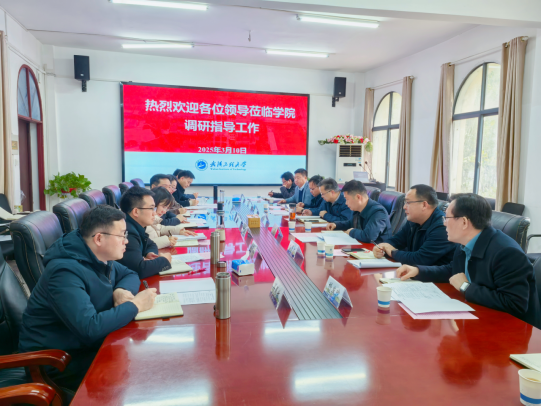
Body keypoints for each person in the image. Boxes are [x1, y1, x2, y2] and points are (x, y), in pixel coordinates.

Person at [18, 205, 157, 393]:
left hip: (87, 347)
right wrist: (135, 305)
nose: (126, 241)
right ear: (99, 238)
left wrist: (120, 290)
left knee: (147, 361)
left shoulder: (97, 255)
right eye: (122, 235)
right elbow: (90, 328)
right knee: (140, 379)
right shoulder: (64, 272)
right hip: (59, 362)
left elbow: (130, 274)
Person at [396, 193, 541, 328]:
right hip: (480, 317)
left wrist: (466, 287)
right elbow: (453, 271)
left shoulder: (507, 253)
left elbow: (515, 304)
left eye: (446, 218)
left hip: (509, 330)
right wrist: (418, 270)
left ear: (464, 222)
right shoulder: (465, 242)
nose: (444, 223)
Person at [373, 184, 456, 266]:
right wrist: (381, 247)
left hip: (435, 274)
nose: (404, 207)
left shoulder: (442, 227)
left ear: (424, 205)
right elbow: (396, 240)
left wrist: (392, 251)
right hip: (414, 272)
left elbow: (420, 259)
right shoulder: (414, 220)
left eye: (408, 202)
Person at [118, 187, 172, 278]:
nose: (154, 213)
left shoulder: (136, 226)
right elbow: (140, 269)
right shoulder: (127, 231)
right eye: (151, 208)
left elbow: (151, 244)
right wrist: (164, 260)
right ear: (136, 212)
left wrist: (149, 253)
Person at [326, 180, 391, 243]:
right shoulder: (357, 209)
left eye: (347, 199)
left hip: (377, 249)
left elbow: (369, 236)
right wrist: (336, 225)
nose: (346, 203)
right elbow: (351, 223)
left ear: (358, 197)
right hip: (362, 245)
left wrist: (351, 232)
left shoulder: (378, 212)